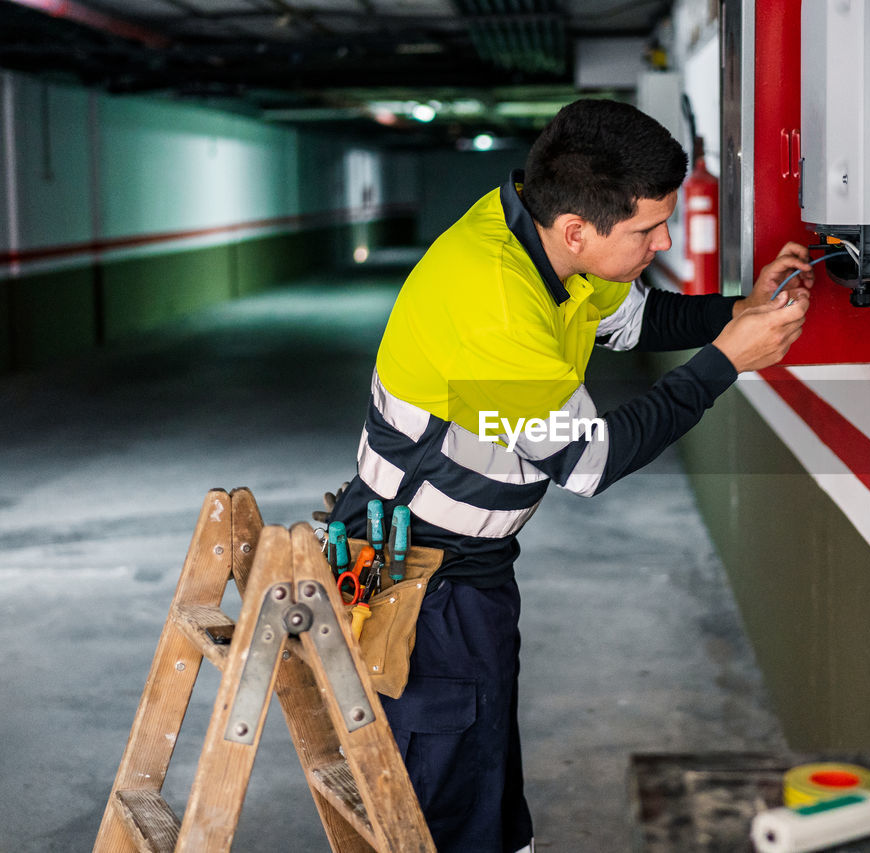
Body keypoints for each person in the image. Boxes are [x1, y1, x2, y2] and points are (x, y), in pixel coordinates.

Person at [327, 98, 813, 852]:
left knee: (486, 789)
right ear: (581, 229)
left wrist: (738, 310)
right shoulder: (493, 300)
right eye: (649, 228)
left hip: (468, 574)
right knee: (442, 811)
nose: (664, 240)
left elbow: (637, 322)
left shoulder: (544, 242)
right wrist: (727, 362)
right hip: (421, 583)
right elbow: (590, 461)